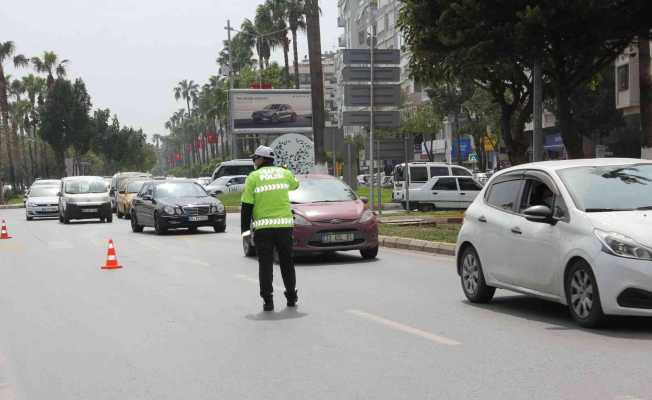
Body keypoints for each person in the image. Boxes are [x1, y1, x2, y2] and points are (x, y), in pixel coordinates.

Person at [241, 146, 300, 311]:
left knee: (265, 265)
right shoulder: (284, 173)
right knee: (287, 263)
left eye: (255, 158)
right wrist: (286, 171)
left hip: (263, 229)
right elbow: (295, 185)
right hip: (284, 227)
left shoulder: (253, 177)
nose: (254, 161)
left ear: (262, 159)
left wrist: (245, 233)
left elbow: (246, 207)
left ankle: (268, 301)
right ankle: (291, 297)